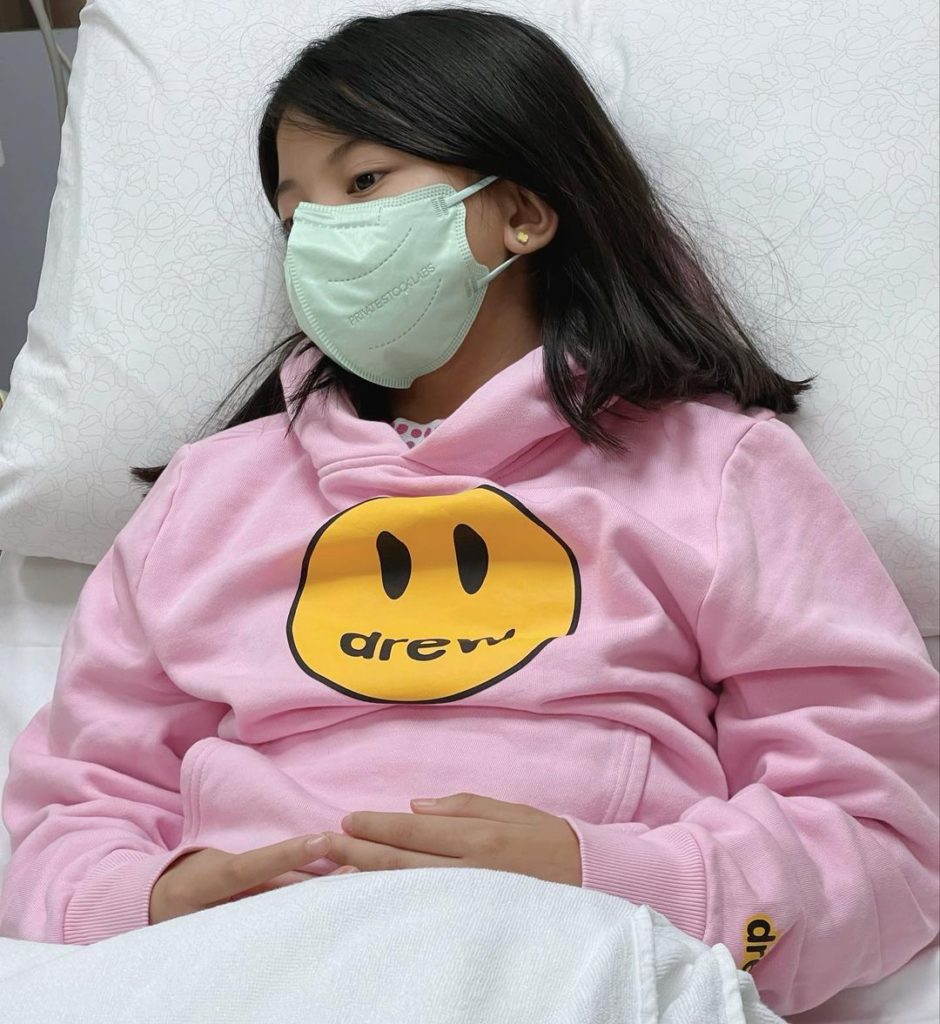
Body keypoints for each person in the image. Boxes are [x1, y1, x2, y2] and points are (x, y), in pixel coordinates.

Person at [1, 7, 937, 1018]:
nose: (322, 237)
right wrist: (143, 904)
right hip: (242, 965)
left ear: (522, 212)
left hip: (580, 959)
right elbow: (67, 819)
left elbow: (883, 842)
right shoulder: (208, 497)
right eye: (295, 216)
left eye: (364, 183)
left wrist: (634, 889)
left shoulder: (716, 475)